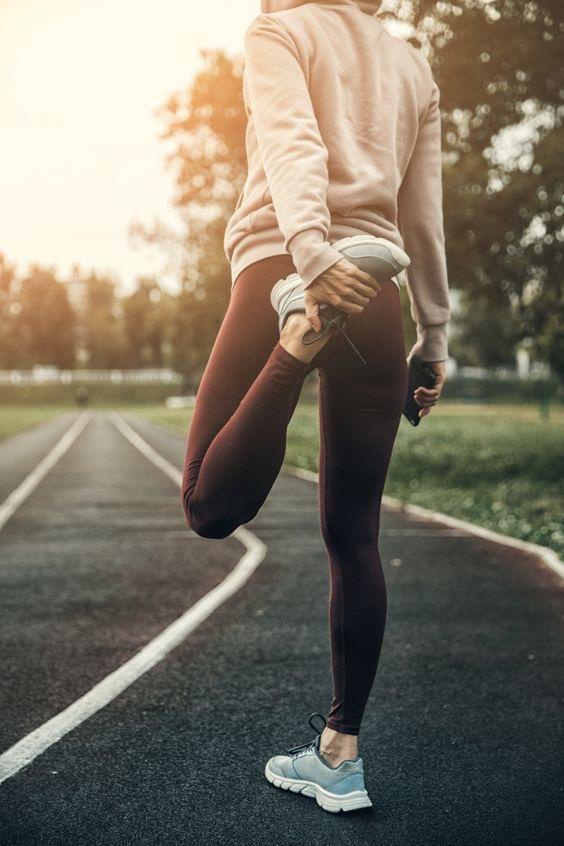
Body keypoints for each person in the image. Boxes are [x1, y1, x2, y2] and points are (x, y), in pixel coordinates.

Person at [181, 0, 450, 813]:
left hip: (291, 271)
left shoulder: (279, 31)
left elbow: (294, 143)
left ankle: (294, 346)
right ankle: (340, 756)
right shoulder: (413, 66)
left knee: (205, 506)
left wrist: (307, 256)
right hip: (378, 292)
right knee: (355, 536)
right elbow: (424, 214)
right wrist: (433, 337)